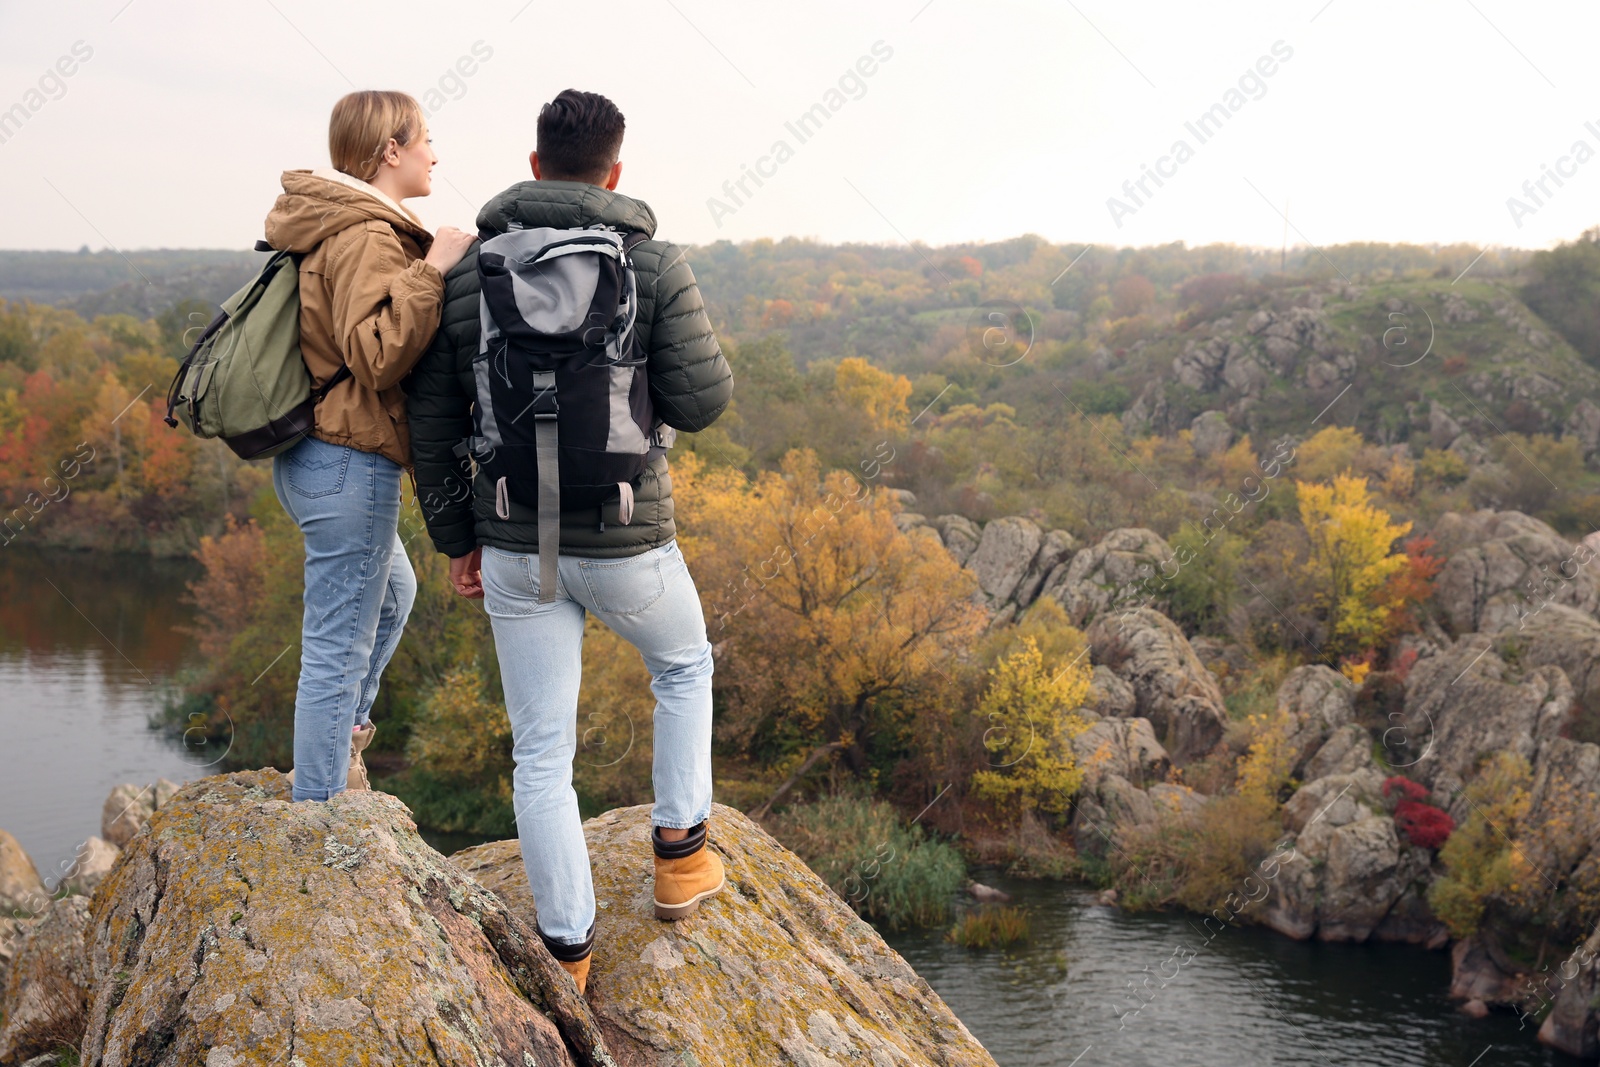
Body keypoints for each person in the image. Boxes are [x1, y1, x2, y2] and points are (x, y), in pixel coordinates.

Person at [407, 89, 733, 994]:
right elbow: (705, 402)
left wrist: (456, 540)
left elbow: (431, 421)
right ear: (614, 172)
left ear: (537, 164)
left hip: (514, 543)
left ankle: (568, 954)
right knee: (683, 666)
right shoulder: (655, 265)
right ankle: (680, 858)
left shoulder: (471, 275)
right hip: (629, 540)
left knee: (542, 750)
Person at [263, 90, 475, 802]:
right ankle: (321, 809)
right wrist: (434, 268)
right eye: (426, 139)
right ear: (391, 148)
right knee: (335, 645)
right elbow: (377, 355)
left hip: (315, 454)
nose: (434, 153)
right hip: (348, 461)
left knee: (391, 596)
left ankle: (342, 745)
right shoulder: (366, 235)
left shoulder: (339, 222)